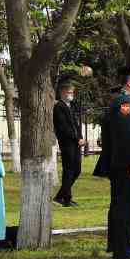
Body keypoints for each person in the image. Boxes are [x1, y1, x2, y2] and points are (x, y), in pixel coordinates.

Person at [98, 64, 130, 259]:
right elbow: (128, 136)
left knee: (123, 206)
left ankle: (122, 246)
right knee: (126, 207)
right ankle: (123, 250)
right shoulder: (125, 102)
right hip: (126, 164)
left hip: (123, 163)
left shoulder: (127, 101)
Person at [52, 76, 83, 206]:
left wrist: (80, 137)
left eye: (72, 92)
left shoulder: (70, 106)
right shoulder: (59, 107)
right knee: (69, 170)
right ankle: (66, 198)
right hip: (67, 144)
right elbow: (63, 127)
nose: (72, 94)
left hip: (75, 143)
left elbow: (75, 125)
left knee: (77, 170)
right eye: (69, 92)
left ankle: (61, 196)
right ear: (63, 92)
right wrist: (76, 138)